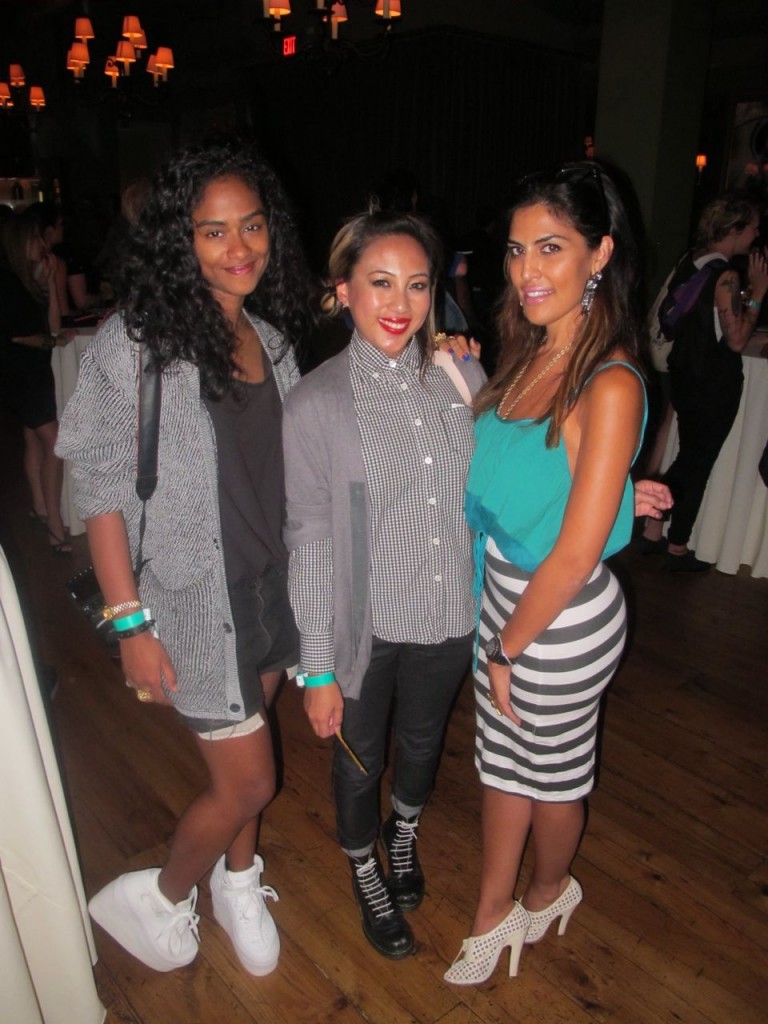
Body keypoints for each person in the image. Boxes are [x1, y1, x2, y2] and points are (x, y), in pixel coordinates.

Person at [55, 137, 313, 976]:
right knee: (248, 782)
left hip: (270, 589)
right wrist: (131, 623)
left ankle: (238, 882)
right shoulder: (135, 344)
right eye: (213, 231)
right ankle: (159, 896)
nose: (240, 248)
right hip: (197, 601)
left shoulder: (272, 340)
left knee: (255, 742)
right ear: (180, 240)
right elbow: (100, 489)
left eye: (252, 225)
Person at [445, 162, 647, 985]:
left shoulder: (611, 382)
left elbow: (572, 556)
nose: (526, 269)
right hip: (501, 598)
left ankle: (549, 888)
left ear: (599, 254)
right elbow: (513, 469)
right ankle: (492, 912)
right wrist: (459, 369)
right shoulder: (527, 352)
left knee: (552, 780)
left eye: (551, 248)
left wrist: (506, 649)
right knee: (501, 768)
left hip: (557, 624)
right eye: (517, 248)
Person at [282, 208, 486, 960]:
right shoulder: (316, 403)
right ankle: (364, 865)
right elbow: (309, 539)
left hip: (449, 609)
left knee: (425, 741)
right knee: (359, 754)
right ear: (343, 291)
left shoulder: (461, 374)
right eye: (380, 283)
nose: (401, 304)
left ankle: (405, 834)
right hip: (362, 627)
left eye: (418, 285)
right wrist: (317, 668)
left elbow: (505, 476)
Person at [640, 193, 768, 570]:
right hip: (713, 384)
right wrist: (758, 293)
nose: (756, 234)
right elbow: (737, 339)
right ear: (735, 229)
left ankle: (653, 530)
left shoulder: (691, 261)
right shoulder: (725, 276)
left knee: (688, 458)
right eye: (753, 228)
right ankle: (677, 545)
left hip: (685, 376)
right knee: (697, 464)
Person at [0, 211, 72, 553]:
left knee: (33, 438)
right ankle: (55, 527)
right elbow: (18, 336)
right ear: (18, 243)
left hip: (32, 371)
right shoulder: (7, 282)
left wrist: (53, 284)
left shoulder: (27, 279)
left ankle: (41, 508)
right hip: (20, 373)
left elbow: (53, 325)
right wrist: (52, 342)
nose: (41, 243)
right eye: (34, 238)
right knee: (54, 441)